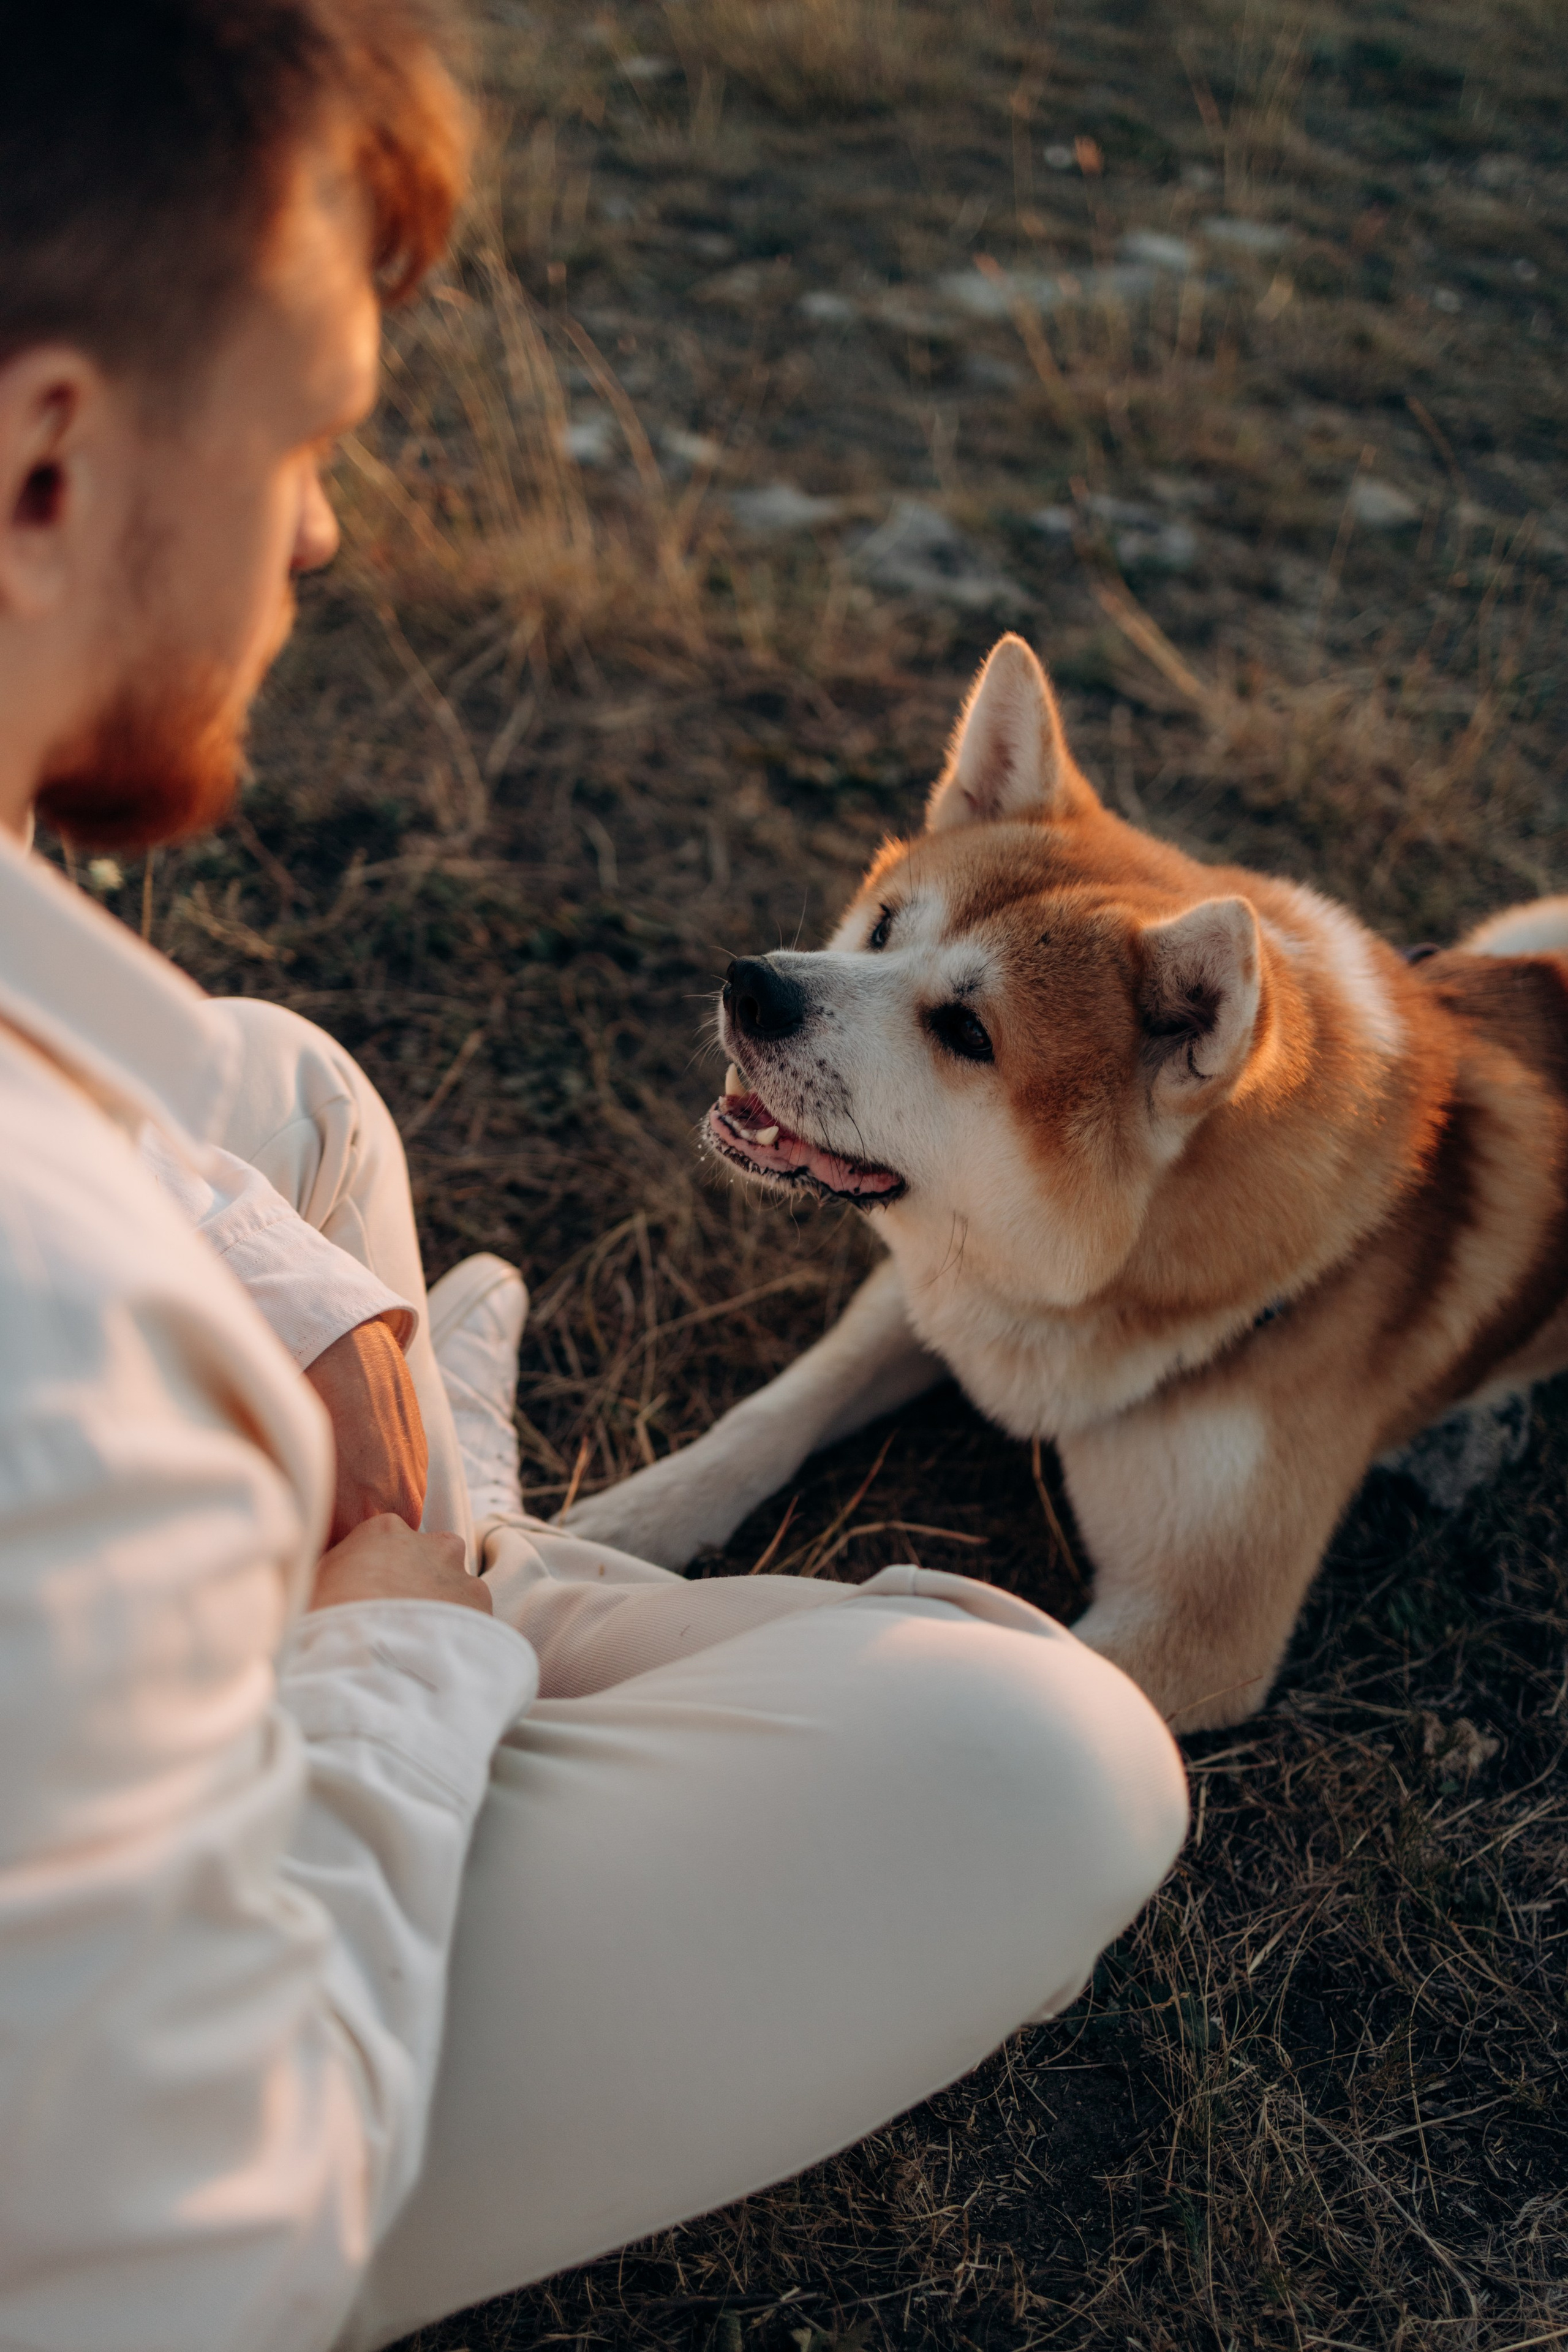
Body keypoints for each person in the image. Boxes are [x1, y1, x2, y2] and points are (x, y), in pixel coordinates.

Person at [0, 5, 1190, 2348]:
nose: (328, 527)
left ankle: (438, 1556)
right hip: (104, 2155)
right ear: (46, 459)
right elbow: (179, 2274)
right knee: (1033, 1760)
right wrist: (390, 1645)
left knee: (283, 1101)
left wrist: (281, 1281)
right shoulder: (58, 1349)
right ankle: (452, 1593)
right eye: (311, 436)